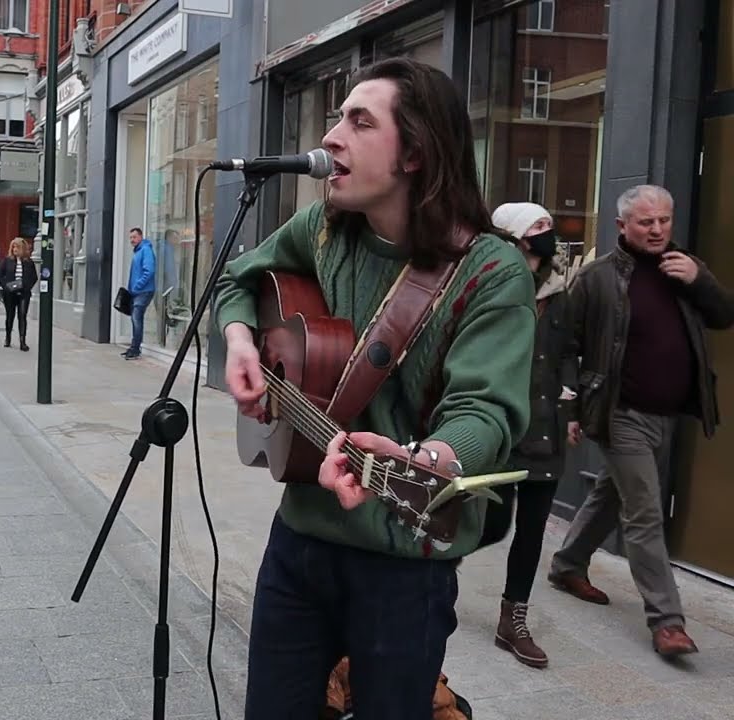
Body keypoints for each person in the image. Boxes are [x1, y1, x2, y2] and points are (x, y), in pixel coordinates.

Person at [214, 57, 536, 717]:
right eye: (337, 117)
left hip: (402, 562)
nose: (332, 136)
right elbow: (235, 279)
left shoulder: (491, 270)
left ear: (415, 152)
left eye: (359, 121)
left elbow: (487, 413)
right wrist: (243, 341)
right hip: (299, 540)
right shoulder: (324, 228)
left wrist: (430, 460)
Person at [549, 184, 734, 657]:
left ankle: (568, 564)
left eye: (664, 220)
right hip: (619, 412)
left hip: (668, 415)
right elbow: (565, 349)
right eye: (646, 222)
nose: (657, 230)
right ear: (622, 227)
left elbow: (724, 316)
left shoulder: (685, 269)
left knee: (613, 492)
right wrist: (569, 410)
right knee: (645, 513)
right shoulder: (596, 279)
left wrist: (700, 280)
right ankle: (667, 621)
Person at [480, 202, 572, 669]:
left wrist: (572, 409)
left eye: (549, 225)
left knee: (532, 529)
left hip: (546, 426)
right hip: (499, 424)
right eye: (539, 226)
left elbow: (570, 352)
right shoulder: (492, 283)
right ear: (516, 236)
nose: (548, 233)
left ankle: (512, 617)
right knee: (491, 522)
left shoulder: (560, 291)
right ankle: (435, 575)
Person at [0, 237, 38, 351]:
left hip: (24, 293)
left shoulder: (28, 262)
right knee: (10, 315)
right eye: (13, 247)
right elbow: (0, 274)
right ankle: (8, 337)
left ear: (23, 248)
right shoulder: (7, 260)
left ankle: (22, 341)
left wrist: (26, 287)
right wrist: (6, 286)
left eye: (17, 247)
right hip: (10, 292)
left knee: (22, 315)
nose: (15, 249)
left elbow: (34, 277)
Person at [124, 228, 155, 360]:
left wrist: (137, 286)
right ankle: (134, 347)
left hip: (144, 291)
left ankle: (135, 349)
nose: (132, 240)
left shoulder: (145, 250)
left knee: (136, 318)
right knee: (136, 319)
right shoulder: (138, 251)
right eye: (130, 237)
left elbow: (149, 271)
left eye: (134, 237)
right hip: (137, 291)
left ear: (141, 237)